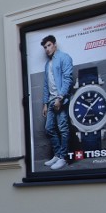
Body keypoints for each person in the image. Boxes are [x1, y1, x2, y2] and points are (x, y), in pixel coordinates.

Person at [41, 35, 74, 170]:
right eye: (45, 47)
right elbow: (45, 85)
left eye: (49, 45)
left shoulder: (64, 57)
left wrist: (60, 98)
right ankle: (57, 154)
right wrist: (45, 103)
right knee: (49, 129)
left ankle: (63, 157)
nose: (47, 49)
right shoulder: (47, 64)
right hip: (50, 100)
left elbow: (68, 80)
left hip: (61, 99)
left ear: (54, 45)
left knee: (63, 128)